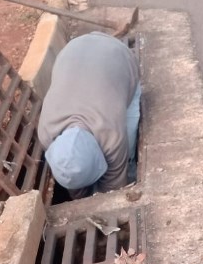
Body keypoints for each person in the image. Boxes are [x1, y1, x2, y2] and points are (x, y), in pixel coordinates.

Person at [38, 31, 141, 199]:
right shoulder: (45, 134)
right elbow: (72, 181)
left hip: (117, 55)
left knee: (129, 135)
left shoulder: (112, 136)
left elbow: (113, 187)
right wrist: (81, 198)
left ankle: (132, 167)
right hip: (73, 50)